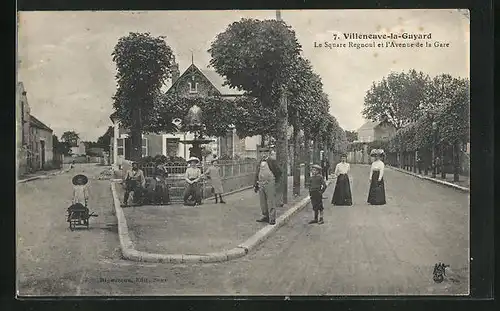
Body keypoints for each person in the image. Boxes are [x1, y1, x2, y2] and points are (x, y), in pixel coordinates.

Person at [254, 146, 282, 225]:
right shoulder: (259, 162)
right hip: (260, 183)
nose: (263, 154)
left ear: (268, 153)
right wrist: (255, 183)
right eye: (262, 153)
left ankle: (272, 218)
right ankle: (265, 216)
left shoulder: (272, 161)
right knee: (263, 201)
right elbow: (256, 174)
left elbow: (279, 172)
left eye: (265, 153)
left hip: (269, 183)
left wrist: (274, 181)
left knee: (270, 201)